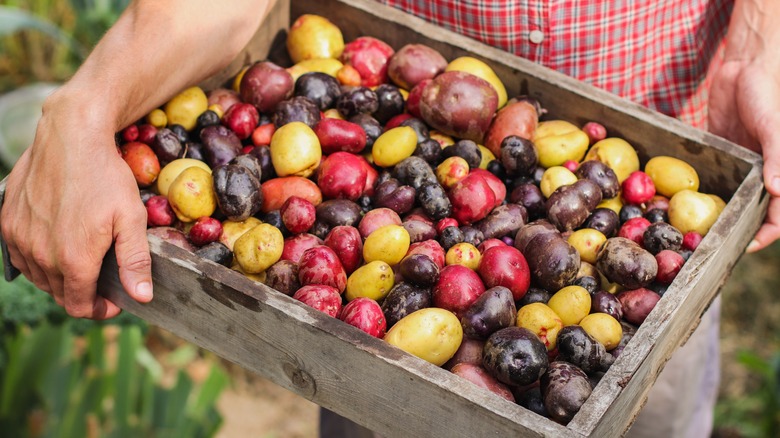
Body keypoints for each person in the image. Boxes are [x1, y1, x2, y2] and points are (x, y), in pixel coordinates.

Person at [1, 0, 778, 436]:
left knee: (649, 411)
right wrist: (84, 106)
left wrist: (763, 46)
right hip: (387, 351)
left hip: (668, 116)